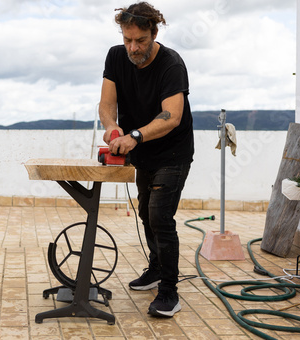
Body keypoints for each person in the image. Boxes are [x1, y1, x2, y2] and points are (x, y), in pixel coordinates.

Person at [99, 2, 194, 317]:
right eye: (127, 39)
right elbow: (106, 105)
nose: (132, 47)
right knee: (145, 212)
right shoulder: (116, 56)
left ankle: (169, 292)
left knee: (159, 215)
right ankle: (156, 269)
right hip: (144, 155)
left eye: (140, 40)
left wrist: (134, 136)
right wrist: (112, 129)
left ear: (154, 33)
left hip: (173, 152)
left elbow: (172, 116)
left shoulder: (171, 65)